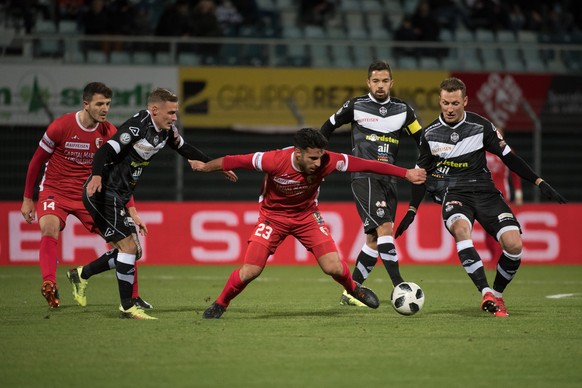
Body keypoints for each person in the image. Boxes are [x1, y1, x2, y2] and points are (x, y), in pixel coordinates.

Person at [189, 128, 427, 319]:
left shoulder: (327, 160)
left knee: (333, 267)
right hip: (273, 218)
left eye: (321, 156)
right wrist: (205, 166)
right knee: (251, 271)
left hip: (307, 217)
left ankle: (355, 290)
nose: (318, 162)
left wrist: (404, 173)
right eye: (313, 157)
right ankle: (220, 304)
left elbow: (365, 164)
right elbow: (235, 161)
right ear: (298, 153)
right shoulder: (273, 160)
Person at [395, 77, 567, 317]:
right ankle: (485, 291)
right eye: (445, 103)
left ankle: (497, 295)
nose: (450, 108)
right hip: (455, 193)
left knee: (514, 245)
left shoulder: (482, 126)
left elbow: (509, 158)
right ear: (439, 101)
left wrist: (538, 181)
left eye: (455, 103)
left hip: (486, 191)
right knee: (461, 230)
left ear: (464, 101)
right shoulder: (430, 135)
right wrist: (413, 209)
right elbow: (420, 175)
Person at [83, 87, 237, 320]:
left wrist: (216, 165)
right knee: (128, 248)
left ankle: (82, 274)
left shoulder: (166, 132)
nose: (175, 118)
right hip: (103, 192)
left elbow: (186, 149)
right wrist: (95, 176)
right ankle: (127, 307)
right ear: (154, 110)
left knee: (132, 251)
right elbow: (106, 150)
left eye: (176, 113)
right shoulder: (138, 126)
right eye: (171, 113)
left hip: (120, 195)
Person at [20, 82, 148, 309]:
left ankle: (99, 281)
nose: (105, 109)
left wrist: (132, 209)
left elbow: (120, 176)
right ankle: (49, 283)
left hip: (90, 195)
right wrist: (28, 198)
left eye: (108, 104)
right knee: (49, 228)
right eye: (100, 104)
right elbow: (36, 161)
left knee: (127, 244)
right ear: (86, 104)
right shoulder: (61, 126)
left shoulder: (109, 132)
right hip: (55, 191)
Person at [320, 61, 423, 307]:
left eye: (384, 81)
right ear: (368, 83)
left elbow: (424, 140)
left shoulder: (404, 111)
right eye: (375, 81)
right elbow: (327, 127)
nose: (380, 85)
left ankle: (351, 292)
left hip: (390, 178)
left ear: (391, 83)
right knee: (385, 227)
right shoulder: (355, 106)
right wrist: (319, 159)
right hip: (364, 177)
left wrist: (424, 166)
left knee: (374, 241)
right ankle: (400, 285)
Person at [484, 127, 522, 266]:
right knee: (487, 230)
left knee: (499, 229)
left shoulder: (506, 151)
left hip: (502, 195)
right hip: (484, 195)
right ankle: (493, 257)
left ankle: (496, 260)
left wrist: (518, 193)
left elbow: (515, 173)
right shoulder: (480, 150)